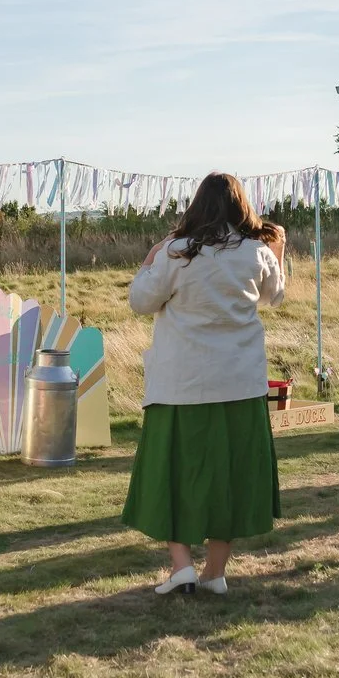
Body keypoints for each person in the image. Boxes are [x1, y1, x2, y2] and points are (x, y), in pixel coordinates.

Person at [123, 173, 290, 596]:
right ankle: (215, 572)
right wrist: (279, 250)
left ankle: (181, 564)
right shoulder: (256, 253)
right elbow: (276, 295)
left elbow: (141, 302)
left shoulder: (176, 253)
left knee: (171, 473)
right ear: (240, 208)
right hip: (238, 383)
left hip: (182, 384)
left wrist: (149, 259)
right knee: (229, 477)